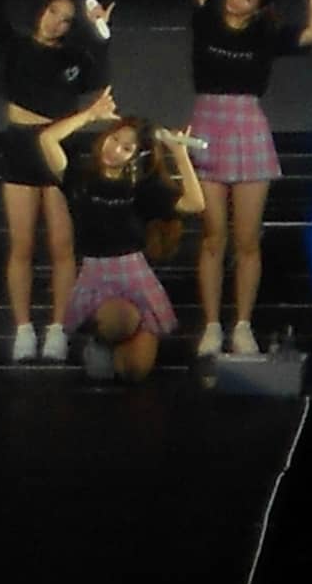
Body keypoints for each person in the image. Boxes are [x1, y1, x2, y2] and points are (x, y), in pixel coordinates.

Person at [189, 0, 312, 356]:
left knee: (247, 239)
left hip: (247, 126)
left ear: (259, 7)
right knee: (213, 236)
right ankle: (211, 326)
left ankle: (243, 325)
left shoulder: (266, 34)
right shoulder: (206, 18)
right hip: (207, 125)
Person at [0, 0, 114, 362]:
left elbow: (99, 78)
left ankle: (58, 327)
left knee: (62, 244)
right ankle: (24, 328)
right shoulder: (13, 45)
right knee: (22, 244)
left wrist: (100, 34)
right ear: (40, 10)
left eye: (66, 18)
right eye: (52, 11)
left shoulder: (74, 56)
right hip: (20, 145)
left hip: (60, 146)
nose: (57, 21)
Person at [39, 89, 205, 382]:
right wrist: (90, 115)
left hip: (135, 276)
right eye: (114, 139)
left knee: (135, 371)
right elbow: (47, 139)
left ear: (134, 157)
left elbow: (195, 203)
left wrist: (180, 155)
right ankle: (101, 340)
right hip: (98, 277)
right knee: (119, 320)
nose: (115, 150)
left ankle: (115, 349)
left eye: (126, 148)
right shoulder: (80, 177)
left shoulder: (141, 188)